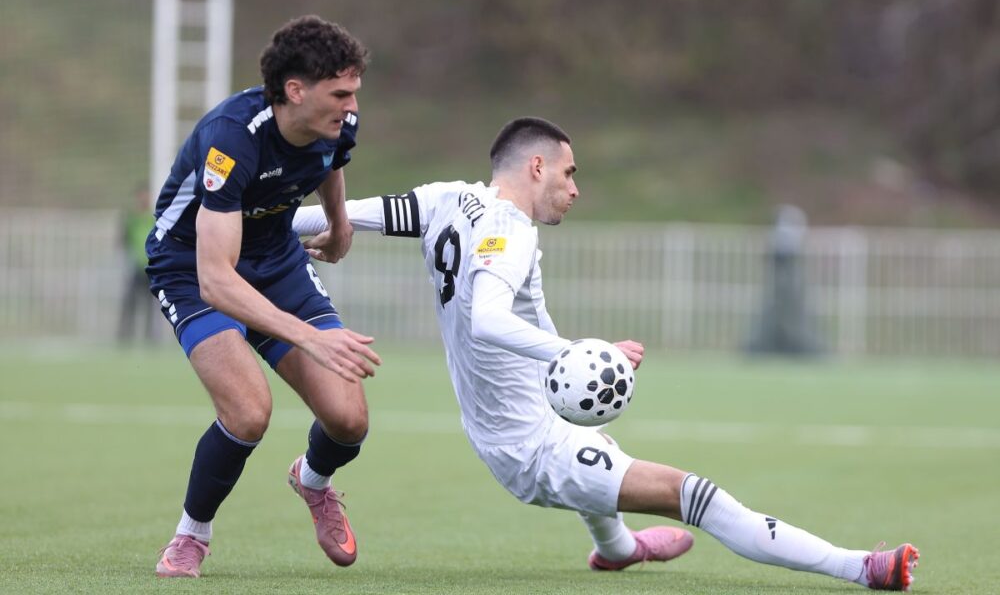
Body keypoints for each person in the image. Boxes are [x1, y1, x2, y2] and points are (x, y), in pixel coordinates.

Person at [292, 117, 919, 590]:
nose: (575, 188)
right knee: (697, 495)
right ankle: (862, 568)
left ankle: (617, 550)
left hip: (526, 416)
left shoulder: (448, 198)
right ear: (536, 166)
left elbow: (336, 214)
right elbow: (486, 320)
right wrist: (577, 353)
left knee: (603, 452)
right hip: (529, 447)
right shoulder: (510, 231)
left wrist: (253, 225)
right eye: (569, 173)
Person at [146, 16, 381, 578]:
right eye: (340, 93)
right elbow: (217, 280)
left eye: (354, 92)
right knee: (249, 413)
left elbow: (331, 161)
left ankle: (312, 480)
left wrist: (339, 223)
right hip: (191, 267)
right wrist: (308, 338)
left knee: (348, 419)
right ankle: (190, 536)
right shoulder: (231, 138)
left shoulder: (338, 122)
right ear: (295, 90)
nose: (351, 106)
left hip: (276, 261)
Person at [117, 184, 157, 343]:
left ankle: (150, 338)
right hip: (135, 268)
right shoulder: (131, 219)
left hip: (151, 268)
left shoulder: (154, 218)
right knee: (130, 303)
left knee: (151, 306)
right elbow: (123, 240)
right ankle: (124, 337)